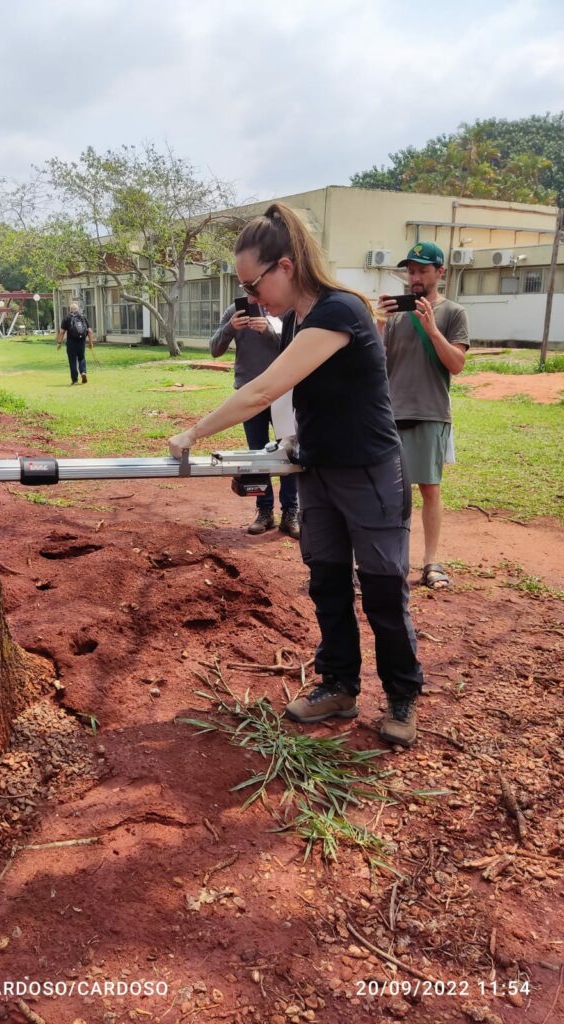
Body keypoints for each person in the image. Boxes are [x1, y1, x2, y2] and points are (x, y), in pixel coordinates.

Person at [168, 203, 424, 747]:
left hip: (371, 473)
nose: (251, 296)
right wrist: (275, 450)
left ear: (284, 266)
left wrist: (195, 433)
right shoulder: (299, 323)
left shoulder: (341, 311)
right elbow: (288, 402)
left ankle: (402, 696)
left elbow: (262, 389)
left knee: (381, 589)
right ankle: (338, 684)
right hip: (319, 473)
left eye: (253, 283)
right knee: (326, 581)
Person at [378, 243, 469, 590]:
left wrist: (432, 329)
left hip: (431, 411)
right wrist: (379, 323)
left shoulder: (453, 313)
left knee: (430, 488)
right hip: (390, 414)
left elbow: (456, 365)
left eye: (422, 271)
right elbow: (375, 364)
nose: (415, 278)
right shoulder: (396, 315)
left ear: (439, 272)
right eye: (411, 271)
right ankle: (389, 559)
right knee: (387, 491)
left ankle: (431, 562)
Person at [210, 300, 300, 538]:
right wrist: (231, 327)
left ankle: (291, 511)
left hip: (283, 393)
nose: (252, 292)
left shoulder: (286, 308)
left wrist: (268, 331)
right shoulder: (234, 310)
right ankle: (264, 512)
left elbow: (297, 349)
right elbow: (215, 349)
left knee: (288, 452)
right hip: (249, 395)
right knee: (257, 454)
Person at [57, 301, 94, 385]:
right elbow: (90, 331)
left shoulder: (67, 318)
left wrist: (59, 343)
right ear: (78, 309)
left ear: (70, 310)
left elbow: (62, 332)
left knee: (72, 361)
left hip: (71, 343)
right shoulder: (83, 317)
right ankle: (83, 372)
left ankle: (75, 380)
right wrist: (90, 342)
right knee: (81, 358)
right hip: (81, 342)